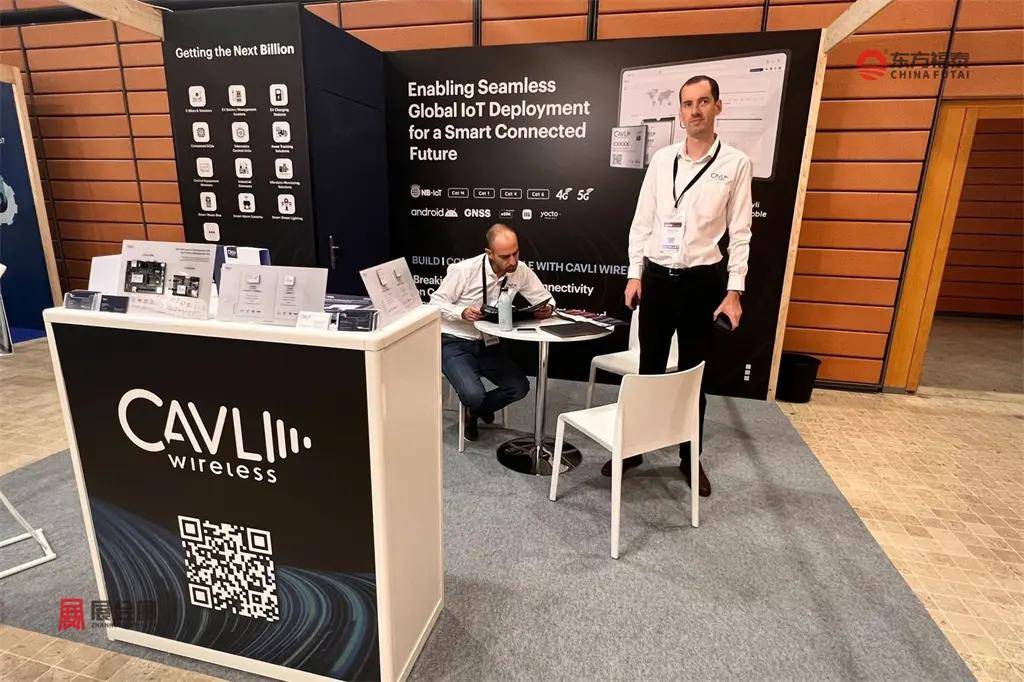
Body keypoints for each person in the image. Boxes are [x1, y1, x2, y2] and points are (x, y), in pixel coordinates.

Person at [610, 74, 753, 497]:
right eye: (688, 104)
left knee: (694, 376)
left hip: (702, 282)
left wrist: (734, 291)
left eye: (703, 102)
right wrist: (634, 274)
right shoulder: (662, 159)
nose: (695, 111)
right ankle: (634, 449)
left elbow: (741, 233)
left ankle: (690, 457)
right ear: (680, 112)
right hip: (657, 278)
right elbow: (642, 221)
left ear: (718, 107)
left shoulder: (735, 164)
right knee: (648, 370)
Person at [430, 224, 555, 441]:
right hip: (454, 341)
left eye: (516, 253)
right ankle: (477, 405)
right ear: (490, 254)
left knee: (519, 388)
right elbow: (435, 303)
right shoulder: (464, 270)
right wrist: (461, 312)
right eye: (505, 256)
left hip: (490, 343)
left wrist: (548, 307)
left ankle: (475, 411)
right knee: (473, 394)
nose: (513, 261)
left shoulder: (520, 270)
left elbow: (545, 297)